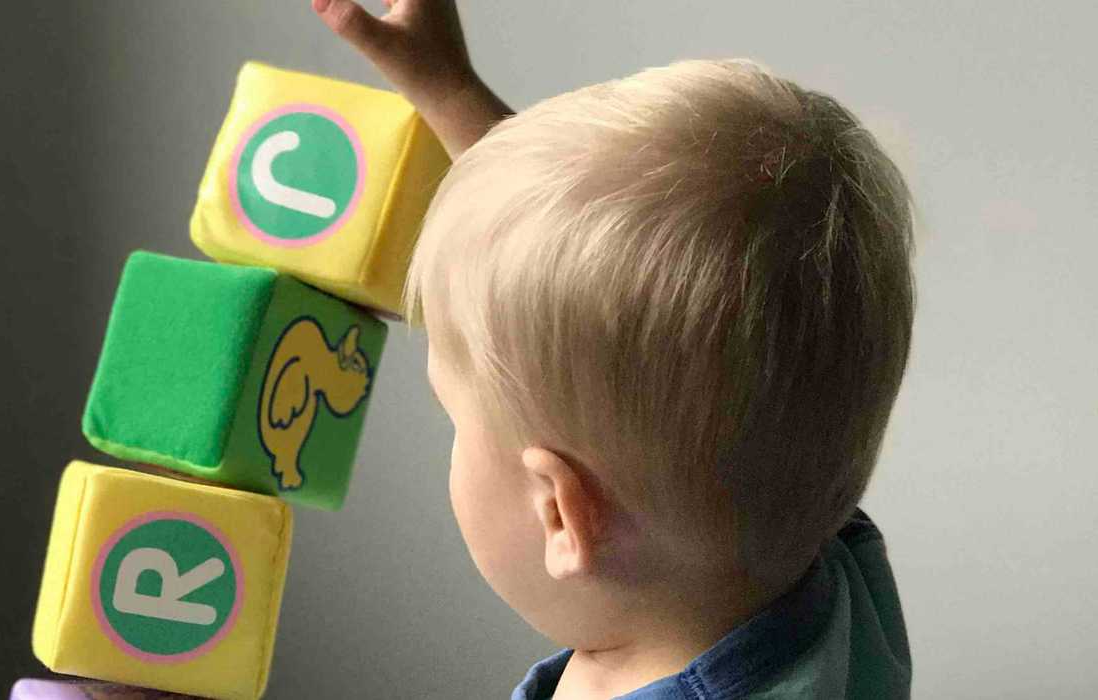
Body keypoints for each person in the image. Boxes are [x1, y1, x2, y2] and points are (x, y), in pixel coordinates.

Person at [312, 1, 915, 698]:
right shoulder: (804, 535)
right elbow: (630, 308)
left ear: (561, 512)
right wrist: (448, 91)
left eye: (456, 420)